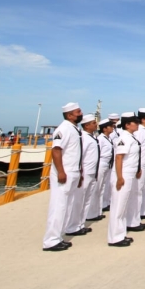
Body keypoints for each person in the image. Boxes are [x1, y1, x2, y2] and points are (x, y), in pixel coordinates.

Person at [42, 102, 83, 252]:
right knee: (58, 206)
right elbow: (56, 150)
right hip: (64, 172)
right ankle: (50, 241)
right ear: (70, 115)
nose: (81, 113)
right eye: (78, 112)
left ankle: (59, 236)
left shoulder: (74, 129)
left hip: (73, 171)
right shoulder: (63, 129)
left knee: (67, 205)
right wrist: (60, 171)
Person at [107, 112, 142, 247]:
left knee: (123, 206)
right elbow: (119, 158)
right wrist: (120, 177)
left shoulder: (130, 137)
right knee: (118, 207)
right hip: (123, 175)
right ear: (127, 125)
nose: (137, 124)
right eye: (135, 122)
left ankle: (120, 234)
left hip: (129, 174)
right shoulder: (124, 138)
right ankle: (114, 238)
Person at [68, 114, 100, 234]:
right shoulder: (84, 138)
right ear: (86, 125)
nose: (95, 124)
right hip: (85, 173)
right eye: (93, 123)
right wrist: (80, 173)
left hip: (92, 172)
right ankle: (72, 227)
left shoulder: (92, 137)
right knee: (78, 200)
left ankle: (80, 224)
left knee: (86, 200)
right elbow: (80, 156)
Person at [97, 119, 115, 213]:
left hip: (108, 164)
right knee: (99, 186)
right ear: (104, 129)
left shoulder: (108, 138)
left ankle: (104, 204)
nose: (112, 128)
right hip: (101, 163)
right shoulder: (100, 139)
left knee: (106, 185)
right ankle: (97, 208)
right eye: (110, 126)